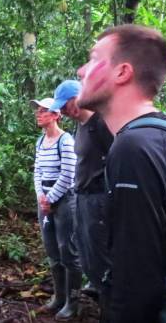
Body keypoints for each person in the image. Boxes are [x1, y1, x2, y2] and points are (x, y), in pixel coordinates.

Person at [76, 25, 166, 323]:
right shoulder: (164, 135)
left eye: (94, 58)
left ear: (122, 73)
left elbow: (137, 277)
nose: (81, 70)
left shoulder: (135, 147)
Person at [52, 80, 114, 311]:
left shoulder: (101, 123)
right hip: (82, 198)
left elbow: (115, 158)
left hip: (99, 199)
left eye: (69, 103)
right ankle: (99, 298)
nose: (67, 110)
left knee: (102, 258)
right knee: (85, 254)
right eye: (64, 107)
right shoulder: (80, 126)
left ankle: (110, 307)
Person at [30, 96, 81, 319]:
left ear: (56, 115)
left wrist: (50, 199)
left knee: (68, 250)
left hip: (64, 201)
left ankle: (73, 302)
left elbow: (69, 174)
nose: (38, 114)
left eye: (44, 111)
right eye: (38, 111)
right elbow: (37, 171)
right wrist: (41, 196)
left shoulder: (65, 140)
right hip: (45, 201)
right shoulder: (40, 142)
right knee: (52, 250)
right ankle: (58, 298)